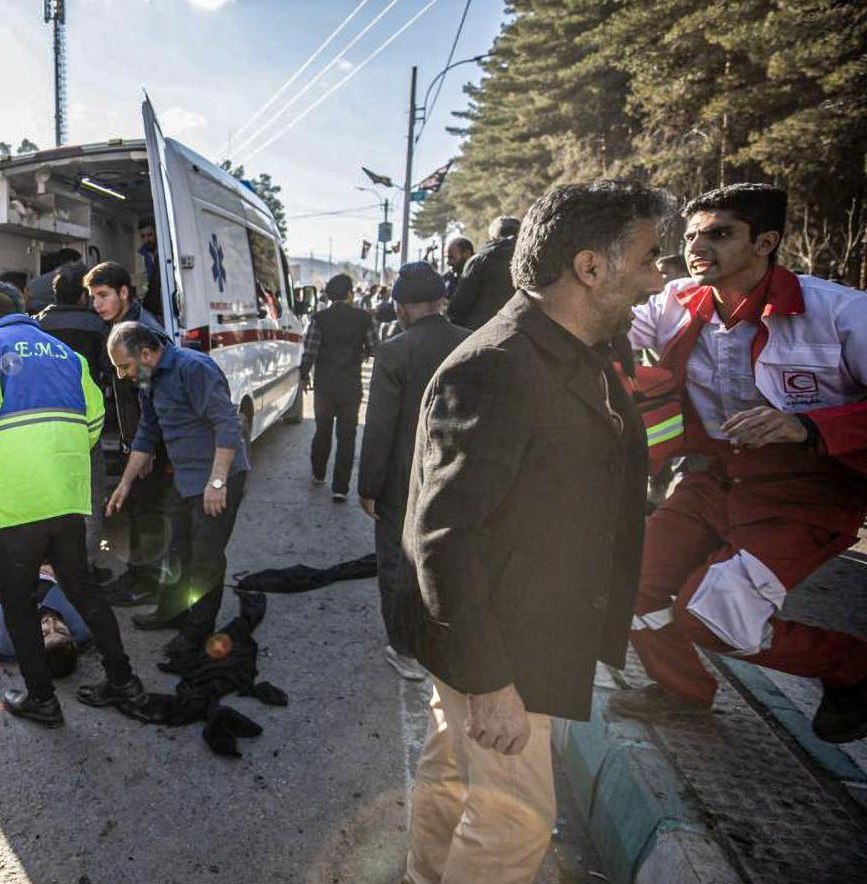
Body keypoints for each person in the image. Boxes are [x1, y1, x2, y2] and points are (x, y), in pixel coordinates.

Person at [398, 181, 671, 884]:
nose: (658, 277)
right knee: (513, 823)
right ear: (590, 267)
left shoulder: (574, 349)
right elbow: (446, 536)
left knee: (452, 775)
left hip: (506, 633)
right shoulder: (500, 365)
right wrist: (490, 682)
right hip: (501, 648)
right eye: (648, 257)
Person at [613, 184, 867, 743]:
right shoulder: (674, 301)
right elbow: (604, 327)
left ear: (766, 242)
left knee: (713, 615)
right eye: (692, 235)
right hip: (712, 478)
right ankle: (681, 691)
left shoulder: (842, 312)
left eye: (720, 233)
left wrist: (808, 426)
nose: (699, 246)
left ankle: (852, 666)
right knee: (627, 581)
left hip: (808, 496)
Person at [0, 281, 143, 727]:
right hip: (66, 496)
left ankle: (41, 698)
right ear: (24, 311)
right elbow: (95, 421)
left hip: (16, 500)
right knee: (83, 589)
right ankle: (123, 680)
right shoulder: (63, 352)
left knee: (16, 603)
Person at [107, 321, 251, 659]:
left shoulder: (192, 368)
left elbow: (228, 425)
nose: (123, 375)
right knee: (174, 549)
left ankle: (196, 634)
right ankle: (170, 612)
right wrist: (125, 483)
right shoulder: (147, 377)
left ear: (145, 353)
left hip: (219, 477)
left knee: (205, 559)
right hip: (186, 479)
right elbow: (147, 430)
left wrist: (217, 482)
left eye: (124, 366)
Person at [355, 263, 469, 683]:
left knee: (397, 564)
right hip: (459, 475)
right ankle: (445, 641)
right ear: (442, 302)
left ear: (401, 309)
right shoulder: (472, 343)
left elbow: (379, 427)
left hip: (404, 481)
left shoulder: (395, 350)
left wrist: (368, 486)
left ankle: (404, 648)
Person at [86, 261, 172, 608]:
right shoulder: (123, 324)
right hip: (136, 437)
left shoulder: (141, 332)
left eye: (103, 295)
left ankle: (147, 583)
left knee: (148, 511)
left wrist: (146, 447)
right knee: (139, 508)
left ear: (124, 292)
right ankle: (141, 577)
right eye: (93, 297)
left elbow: (153, 397)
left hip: (148, 440)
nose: (97, 304)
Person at [36, 262, 113, 579]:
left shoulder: (36, 324)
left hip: (41, 423)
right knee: (91, 495)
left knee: (50, 494)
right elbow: (110, 372)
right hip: (83, 423)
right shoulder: (96, 326)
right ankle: (86, 566)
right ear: (83, 296)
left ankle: (49, 565)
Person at [300, 274, 374, 501]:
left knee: (322, 431)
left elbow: (310, 349)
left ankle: (319, 473)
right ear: (350, 293)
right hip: (350, 386)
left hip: (324, 386)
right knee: (347, 436)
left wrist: (304, 376)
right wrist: (360, 353)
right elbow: (374, 347)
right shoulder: (364, 318)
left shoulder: (319, 318)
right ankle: (340, 488)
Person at [446, 216, 521, 330]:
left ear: (492, 237)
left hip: (480, 333)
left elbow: (459, 306)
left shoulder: (478, 261)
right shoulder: (532, 258)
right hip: (521, 332)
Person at [25, 247, 82, 314]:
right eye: (79, 263)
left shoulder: (32, 283)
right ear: (71, 262)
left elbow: (27, 303)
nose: (81, 266)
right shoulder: (72, 281)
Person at [137, 218, 164, 322]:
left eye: (150, 235)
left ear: (156, 233)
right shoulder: (141, 255)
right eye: (143, 236)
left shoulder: (166, 252)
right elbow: (143, 284)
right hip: (150, 307)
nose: (146, 239)